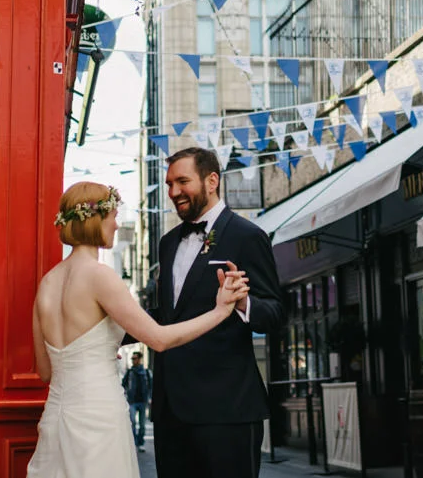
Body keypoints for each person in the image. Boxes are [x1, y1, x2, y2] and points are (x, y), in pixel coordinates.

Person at [26, 182, 250, 478]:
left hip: (57, 416)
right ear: (96, 219)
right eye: (113, 216)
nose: (117, 225)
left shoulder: (46, 284)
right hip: (99, 414)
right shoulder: (99, 276)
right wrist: (221, 310)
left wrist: (96, 351)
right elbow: (158, 339)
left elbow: (45, 371)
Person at [153, 148, 286, 478]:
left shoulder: (247, 235)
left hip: (227, 411)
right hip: (170, 411)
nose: (173, 192)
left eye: (183, 181)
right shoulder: (167, 244)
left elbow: (275, 313)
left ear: (212, 180)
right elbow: (168, 315)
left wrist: (242, 303)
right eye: (169, 184)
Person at [122, 351, 152, 451]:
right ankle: (134, 443)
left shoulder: (146, 372)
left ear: (139, 359)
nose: (133, 360)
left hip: (143, 401)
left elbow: (151, 386)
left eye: (135, 358)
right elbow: (123, 384)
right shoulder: (130, 372)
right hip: (132, 401)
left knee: (142, 425)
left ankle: (140, 443)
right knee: (133, 422)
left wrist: (150, 398)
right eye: (132, 359)